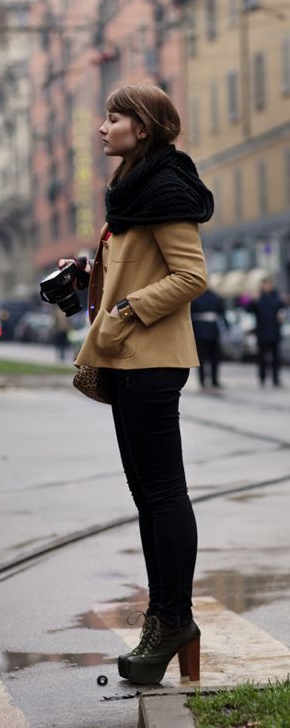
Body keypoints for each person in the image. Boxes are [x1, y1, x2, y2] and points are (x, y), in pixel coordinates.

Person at [59, 85, 213, 685]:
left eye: (114, 117)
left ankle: (174, 620)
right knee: (149, 499)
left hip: (150, 360)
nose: (103, 127)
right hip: (129, 361)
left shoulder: (165, 189)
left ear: (142, 128)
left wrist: (124, 312)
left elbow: (191, 275)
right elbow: (140, 264)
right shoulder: (131, 192)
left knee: (164, 495)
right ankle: (165, 619)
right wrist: (90, 275)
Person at [246, 278, 286, 387]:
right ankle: (262, 378)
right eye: (265, 284)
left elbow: (283, 311)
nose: (267, 286)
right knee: (262, 358)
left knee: (276, 358)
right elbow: (248, 310)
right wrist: (252, 300)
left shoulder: (277, 297)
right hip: (262, 332)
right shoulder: (258, 298)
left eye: (269, 284)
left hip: (274, 332)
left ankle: (275, 379)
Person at [191, 287, 228, 389]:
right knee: (204, 358)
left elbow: (221, 312)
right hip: (204, 330)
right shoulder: (212, 296)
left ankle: (211, 380)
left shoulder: (210, 296)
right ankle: (206, 380)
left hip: (209, 331)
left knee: (213, 358)